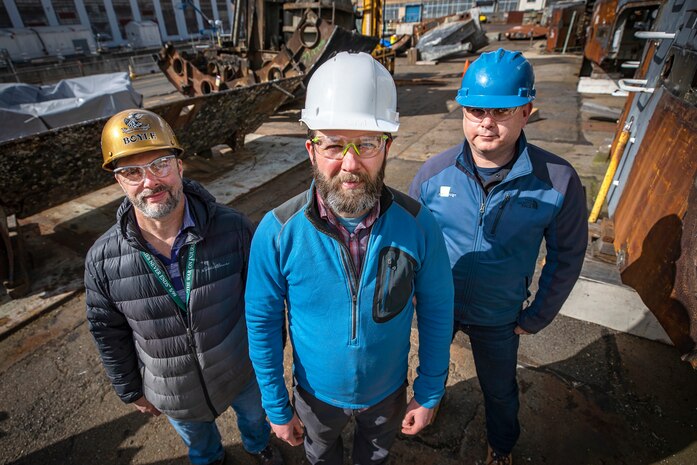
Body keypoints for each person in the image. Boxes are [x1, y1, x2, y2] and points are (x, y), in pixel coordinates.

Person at [245, 51, 454, 465]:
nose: (350, 162)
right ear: (311, 150)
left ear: (387, 147)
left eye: (367, 143)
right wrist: (275, 404)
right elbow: (262, 324)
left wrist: (430, 389)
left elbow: (437, 310)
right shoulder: (277, 232)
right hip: (314, 399)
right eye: (334, 145)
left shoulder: (418, 224)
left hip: (388, 394)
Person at [409, 48, 588, 465]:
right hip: (440, 308)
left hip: (500, 316)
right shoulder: (433, 175)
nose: (486, 123)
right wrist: (414, 295)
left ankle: (501, 447)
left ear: (527, 111)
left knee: (500, 390)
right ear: (463, 113)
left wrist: (538, 314)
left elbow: (568, 254)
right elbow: (407, 246)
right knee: (427, 367)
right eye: (474, 110)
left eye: (501, 111)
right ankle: (428, 404)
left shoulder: (558, 180)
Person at [85, 109, 284, 465]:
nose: (150, 182)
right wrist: (130, 388)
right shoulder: (102, 260)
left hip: (240, 369)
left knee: (255, 419)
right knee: (199, 442)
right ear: (119, 181)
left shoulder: (234, 229)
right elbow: (107, 331)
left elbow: (264, 303)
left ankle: (258, 446)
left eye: (160, 164)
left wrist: (268, 359)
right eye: (132, 171)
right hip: (173, 387)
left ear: (180, 166)